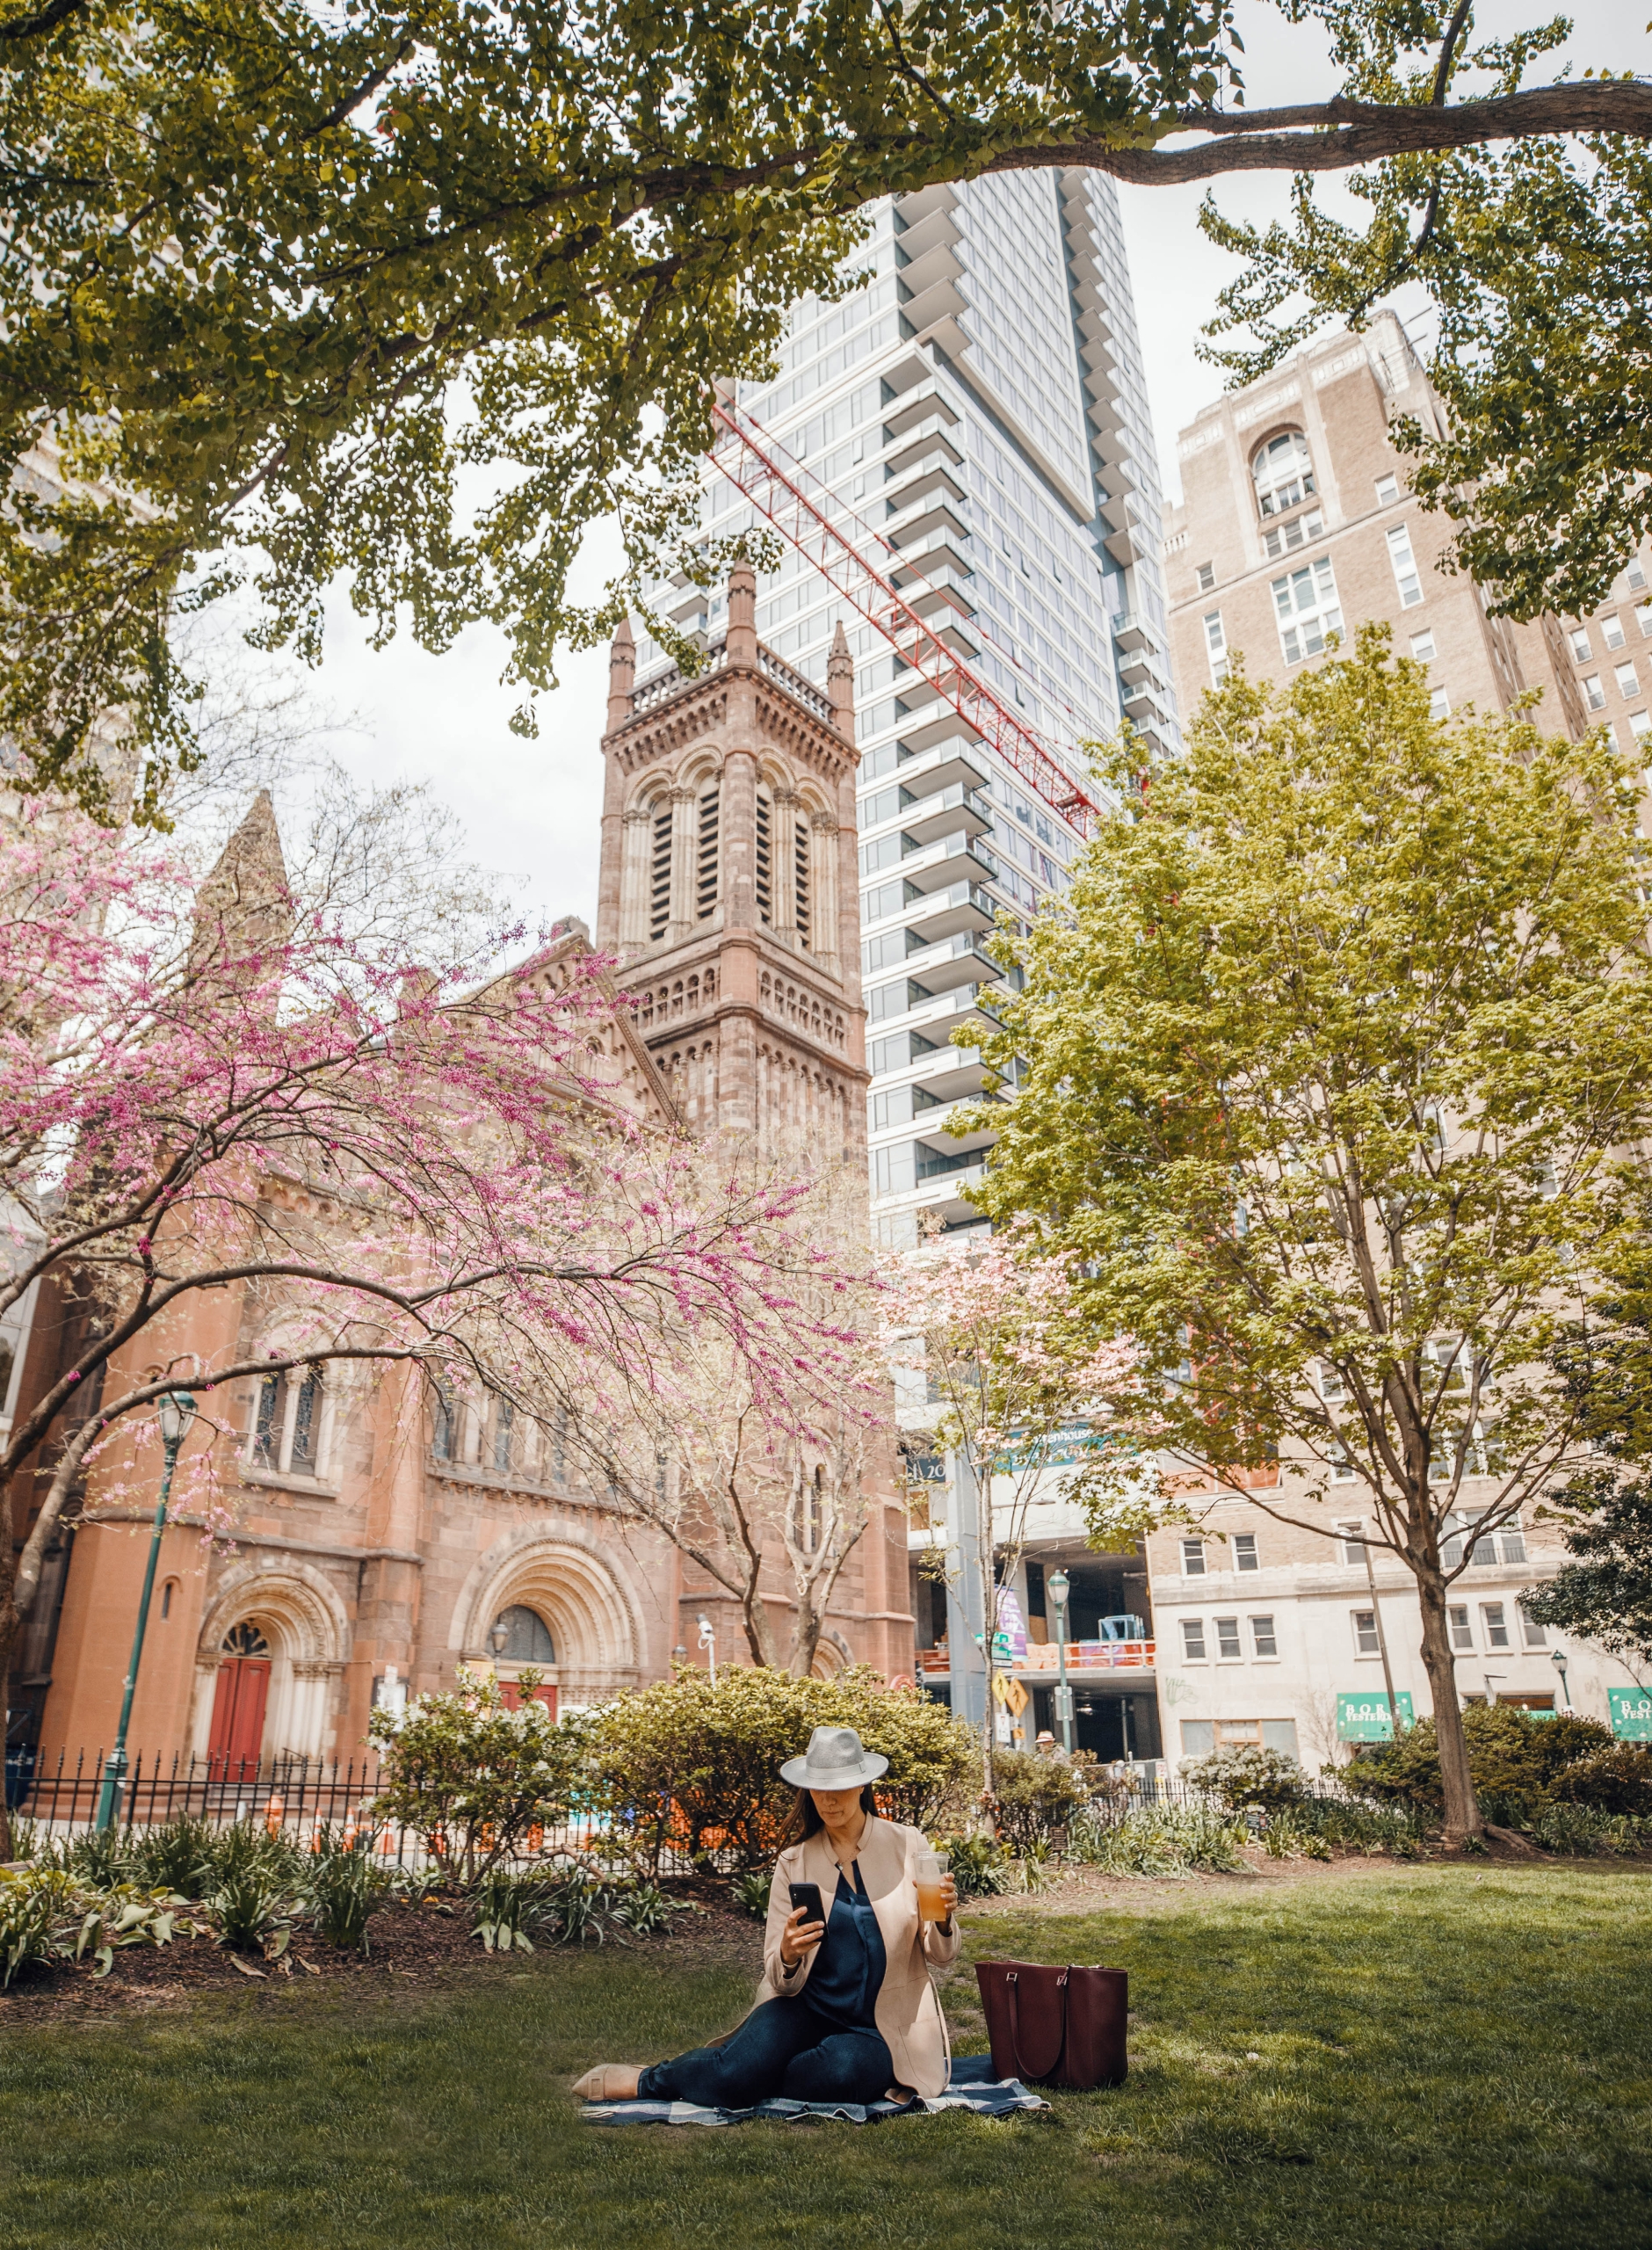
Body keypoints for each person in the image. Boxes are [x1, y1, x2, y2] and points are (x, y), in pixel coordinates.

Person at [572, 1724, 960, 2107]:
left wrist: (942, 1919)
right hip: (804, 2009)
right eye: (818, 1789)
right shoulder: (794, 1862)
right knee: (731, 2075)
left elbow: (941, 1955)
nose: (828, 1801)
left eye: (839, 1788)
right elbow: (781, 1979)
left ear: (862, 1785)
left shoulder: (908, 1844)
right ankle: (650, 2080)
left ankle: (752, 2077)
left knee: (842, 2074)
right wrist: (790, 1953)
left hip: (882, 2025)